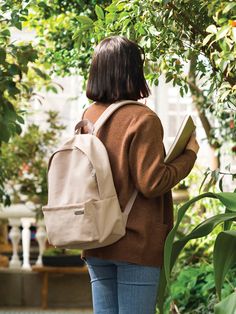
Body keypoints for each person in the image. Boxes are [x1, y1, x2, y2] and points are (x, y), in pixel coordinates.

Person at [81, 36, 199, 314]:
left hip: (96, 238)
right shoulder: (142, 118)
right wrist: (189, 155)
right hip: (135, 241)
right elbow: (152, 182)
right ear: (132, 71)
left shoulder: (88, 116)